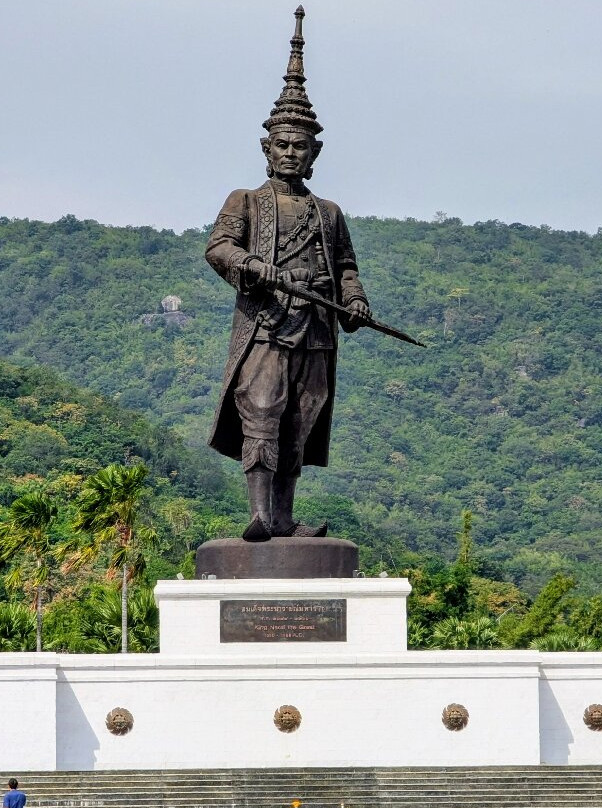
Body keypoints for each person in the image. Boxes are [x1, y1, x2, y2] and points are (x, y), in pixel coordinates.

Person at [206, 7, 370, 541]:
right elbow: (219, 248)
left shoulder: (329, 212)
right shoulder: (246, 200)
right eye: (283, 144)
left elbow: (345, 265)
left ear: (315, 151)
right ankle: (258, 514)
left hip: (317, 328)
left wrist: (356, 301)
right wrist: (253, 266)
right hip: (267, 322)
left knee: (301, 418)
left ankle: (284, 516)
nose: (292, 152)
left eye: (301, 145)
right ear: (267, 147)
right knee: (262, 409)